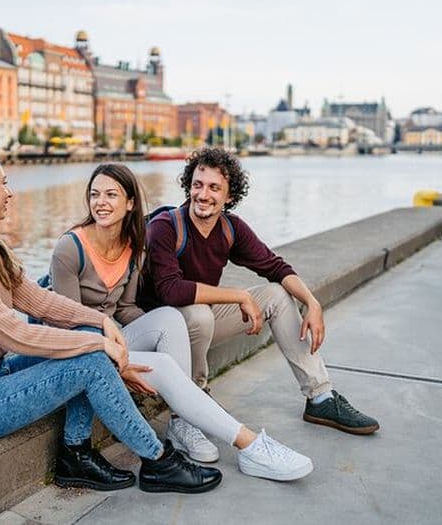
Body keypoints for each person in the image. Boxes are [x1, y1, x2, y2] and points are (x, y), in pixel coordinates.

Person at [0, 149, 222, 494]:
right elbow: (17, 334)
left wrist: (99, 322)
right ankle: (157, 459)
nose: (10, 192)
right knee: (91, 361)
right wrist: (101, 343)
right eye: (3, 183)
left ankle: (75, 453)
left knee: (88, 334)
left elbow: (39, 300)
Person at [50, 163, 314, 481]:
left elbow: (126, 307)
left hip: (114, 338)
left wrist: (159, 333)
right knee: (163, 362)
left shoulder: (131, 247)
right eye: (94, 195)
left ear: (130, 203)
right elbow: (66, 323)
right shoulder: (70, 248)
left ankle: (185, 421)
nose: (101, 202)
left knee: (171, 318)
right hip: (83, 346)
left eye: (111, 195)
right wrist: (118, 356)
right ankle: (251, 445)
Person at [139, 147, 379, 435]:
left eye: (214, 188)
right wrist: (239, 296)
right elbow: (171, 291)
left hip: (199, 323)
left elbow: (275, 266)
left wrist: (313, 303)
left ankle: (320, 397)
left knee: (277, 295)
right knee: (201, 314)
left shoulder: (230, 228)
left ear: (229, 196)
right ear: (189, 186)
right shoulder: (165, 227)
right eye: (198, 185)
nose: (203, 195)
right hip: (161, 329)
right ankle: (194, 401)